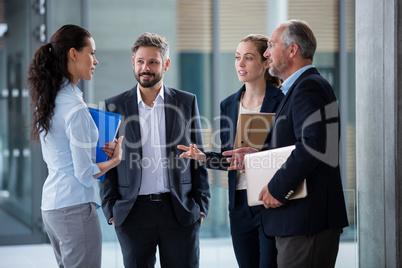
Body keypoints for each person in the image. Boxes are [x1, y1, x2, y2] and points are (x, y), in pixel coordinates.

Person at [223, 20, 349, 268]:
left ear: (292, 50)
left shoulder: (308, 87)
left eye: (271, 45)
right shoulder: (296, 90)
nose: (267, 53)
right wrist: (257, 156)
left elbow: (313, 146)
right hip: (297, 222)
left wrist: (277, 188)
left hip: (306, 222)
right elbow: (295, 146)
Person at [99, 32, 210, 268]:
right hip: (133, 214)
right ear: (133, 63)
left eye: (153, 62)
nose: (145, 68)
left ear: (166, 64)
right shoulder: (114, 105)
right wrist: (111, 211)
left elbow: (198, 156)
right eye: (140, 61)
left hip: (179, 211)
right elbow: (108, 163)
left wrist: (201, 207)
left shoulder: (186, 102)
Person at [178, 34, 284, 267]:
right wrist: (203, 157)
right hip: (239, 206)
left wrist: (259, 160)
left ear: (266, 62)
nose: (240, 64)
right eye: (237, 58)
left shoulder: (282, 100)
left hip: (271, 201)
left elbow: (290, 152)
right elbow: (231, 158)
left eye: (248, 58)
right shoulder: (229, 104)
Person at [27, 24, 123, 268]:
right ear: (73, 53)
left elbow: (65, 155)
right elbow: (83, 172)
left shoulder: (50, 99)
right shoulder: (75, 108)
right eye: (91, 53)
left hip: (52, 207)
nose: (96, 61)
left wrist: (98, 151)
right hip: (75, 208)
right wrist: (113, 161)